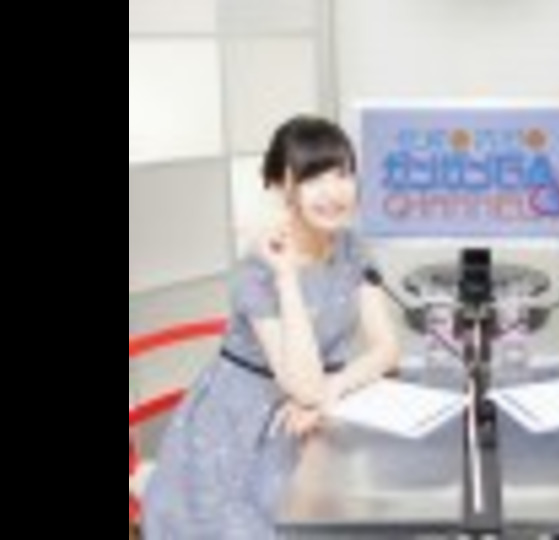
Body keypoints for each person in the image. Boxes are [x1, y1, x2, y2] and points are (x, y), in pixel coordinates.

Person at [143, 115, 400, 539]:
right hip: (241, 425)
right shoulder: (257, 271)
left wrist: (332, 389)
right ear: (283, 187)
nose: (334, 192)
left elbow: (387, 349)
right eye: (313, 178)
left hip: (316, 414)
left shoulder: (352, 246)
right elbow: (303, 388)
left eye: (342, 174)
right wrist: (286, 276)